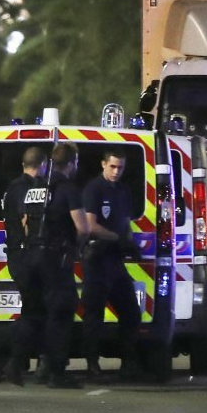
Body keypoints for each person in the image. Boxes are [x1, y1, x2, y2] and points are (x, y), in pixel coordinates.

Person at [4, 142, 88, 389]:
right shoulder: (68, 188)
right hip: (54, 258)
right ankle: (55, 371)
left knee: (35, 313)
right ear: (72, 163)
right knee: (61, 312)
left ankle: (15, 362)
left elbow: (25, 221)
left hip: (31, 256)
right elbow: (82, 228)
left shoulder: (36, 189)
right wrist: (76, 246)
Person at [0, 147, 49, 383]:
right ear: (43, 165)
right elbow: (28, 220)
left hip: (19, 256)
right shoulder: (25, 188)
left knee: (34, 313)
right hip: (26, 256)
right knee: (34, 315)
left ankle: (12, 362)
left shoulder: (13, 187)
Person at [81, 148, 142, 380]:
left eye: (120, 167)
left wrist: (130, 242)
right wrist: (117, 238)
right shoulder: (94, 189)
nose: (116, 171)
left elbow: (125, 221)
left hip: (115, 261)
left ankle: (128, 363)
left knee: (130, 313)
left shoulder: (123, 190)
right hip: (96, 259)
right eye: (113, 166)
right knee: (94, 315)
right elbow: (90, 225)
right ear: (103, 164)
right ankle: (92, 365)